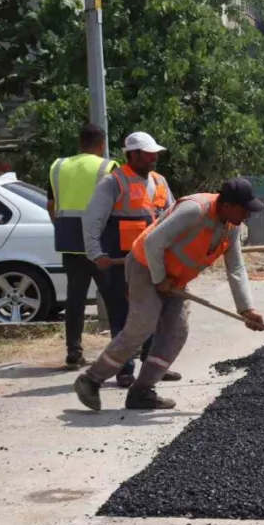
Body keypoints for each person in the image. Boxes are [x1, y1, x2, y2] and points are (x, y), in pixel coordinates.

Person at [73, 178, 264, 411]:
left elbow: (235, 267)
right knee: (142, 327)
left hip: (175, 278)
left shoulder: (231, 227)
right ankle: (91, 380)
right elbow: (153, 242)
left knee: (176, 332)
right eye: (245, 210)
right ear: (227, 205)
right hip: (146, 266)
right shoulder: (194, 210)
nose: (248, 215)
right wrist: (159, 279)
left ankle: (142, 391)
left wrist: (246, 309)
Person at [82, 131, 181, 387]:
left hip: (153, 260)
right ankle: (124, 369)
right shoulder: (113, 182)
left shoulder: (160, 181)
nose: (153, 159)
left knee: (154, 313)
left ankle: (152, 367)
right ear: (133, 155)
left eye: (155, 154)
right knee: (124, 315)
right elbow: (92, 220)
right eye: (148, 154)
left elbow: (172, 216)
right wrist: (96, 254)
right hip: (121, 262)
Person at [46, 124, 118, 369]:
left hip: (70, 242)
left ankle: (73, 352)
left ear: (80, 143)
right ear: (102, 145)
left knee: (75, 299)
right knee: (113, 297)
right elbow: (116, 208)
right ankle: (121, 348)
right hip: (100, 243)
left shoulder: (58, 166)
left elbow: (51, 205)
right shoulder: (107, 167)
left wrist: (64, 228)